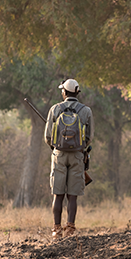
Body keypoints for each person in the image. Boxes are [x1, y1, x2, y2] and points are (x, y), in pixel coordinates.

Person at [44, 78, 94, 238]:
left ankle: (56, 230)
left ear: (64, 92)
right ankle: (70, 229)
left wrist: (57, 148)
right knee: (72, 195)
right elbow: (89, 137)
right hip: (78, 155)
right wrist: (79, 148)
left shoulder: (55, 109)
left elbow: (47, 136)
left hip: (58, 155)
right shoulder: (86, 111)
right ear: (77, 93)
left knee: (58, 194)